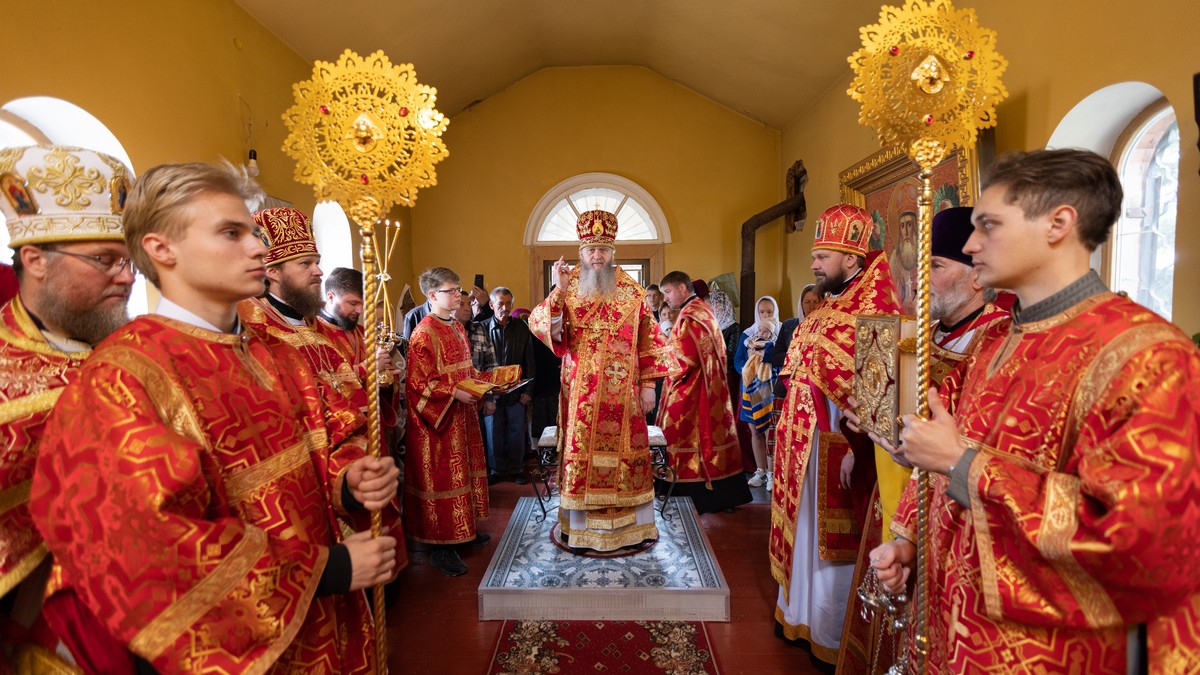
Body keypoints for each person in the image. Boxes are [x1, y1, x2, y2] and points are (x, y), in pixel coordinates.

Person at [29, 161, 401, 672]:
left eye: (253, 233)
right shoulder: (123, 376)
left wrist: (348, 481)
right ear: (162, 248)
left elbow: (328, 442)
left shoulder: (279, 354)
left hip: (325, 621)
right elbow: (148, 547)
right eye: (231, 233)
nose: (258, 249)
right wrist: (324, 570)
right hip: (243, 643)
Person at [869, 149, 1200, 673]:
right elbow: (937, 451)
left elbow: (1143, 544)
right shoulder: (992, 342)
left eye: (989, 225)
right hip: (949, 627)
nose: (971, 244)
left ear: (1058, 224)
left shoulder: (1148, 357)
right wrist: (909, 539)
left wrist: (965, 465)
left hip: (1040, 652)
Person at [836, 206, 1009, 674]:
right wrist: (869, 421)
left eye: (936, 265)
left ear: (977, 276)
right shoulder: (919, 333)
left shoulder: (996, 340)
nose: (919, 277)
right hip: (897, 497)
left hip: (951, 508)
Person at [0, 146, 134, 670]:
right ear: (35, 259)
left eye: (127, 261)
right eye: (104, 260)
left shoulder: (142, 350)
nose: (127, 277)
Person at [770, 204, 901, 667]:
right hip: (800, 447)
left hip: (833, 445)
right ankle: (797, 614)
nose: (814, 264)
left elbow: (877, 394)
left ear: (850, 257)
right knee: (805, 535)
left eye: (822, 256)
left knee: (831, 547)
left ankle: (827, 630)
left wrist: (854, 446)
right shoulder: (828, 305)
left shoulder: (874, 305)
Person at [529, 209, 671, 552]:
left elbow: (651, 341)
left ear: (612, 253)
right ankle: (580, 531)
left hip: (624, 395)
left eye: (603, 250)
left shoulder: (633, 293)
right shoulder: (568, 287)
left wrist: (648, 387)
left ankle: (632, 530)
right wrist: (558, 291)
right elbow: (542, 326)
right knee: (582, 456)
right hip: (580, 396)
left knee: (627, 458)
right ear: (581, 253)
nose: (597, 255)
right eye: (591, 249)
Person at [404, 267, 519, 576]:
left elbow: (466, 371)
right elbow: (419, 385)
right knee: (444, 479)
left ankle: (463, 529)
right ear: (432, 295)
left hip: (462, 417)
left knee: (464, 474)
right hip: (438, 426)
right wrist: (455, 392)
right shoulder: (423, 333)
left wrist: (492, 381)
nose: (459, 295)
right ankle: (441, 547)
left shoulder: (456, 326)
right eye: (452, 291)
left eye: (459, 289)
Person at [655, 271, 752, 514]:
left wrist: (660, 351)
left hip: (692, 390)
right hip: (707, 386)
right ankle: (719, 491)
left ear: (682, 288)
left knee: (679, 432)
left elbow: (683, 359)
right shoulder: (702, 310)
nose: (666, 298)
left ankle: (689, 490)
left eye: (668, 292)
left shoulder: (691, 316)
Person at [483, 286, 536, 485]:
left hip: (517, 391)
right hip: (491, 392)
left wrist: (528, 391)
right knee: (493, 432)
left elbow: (530, 361)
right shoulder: (483, 328)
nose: (504, 308)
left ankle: (517, 469)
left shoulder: (522, 327)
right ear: (491, 305)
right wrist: (486, 395)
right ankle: (496, 470)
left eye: (508, 304)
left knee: (516, 431)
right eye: (500, 304)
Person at [733, 295, 780, 488]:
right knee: (755, 430)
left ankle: (771, 473)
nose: (765, 315)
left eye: (769, 312)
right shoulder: (748, 335)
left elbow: (783, 360)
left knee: (770, 431)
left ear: (775, 312)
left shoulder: (780, 333)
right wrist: (748, 371)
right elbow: (738, 360)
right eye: (762, 312)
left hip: (770, 388)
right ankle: (760, 471)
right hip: (750, 388)